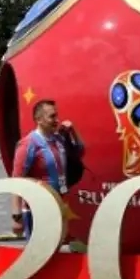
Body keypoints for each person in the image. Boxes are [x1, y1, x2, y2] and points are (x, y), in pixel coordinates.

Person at [9, 100, 84, 241]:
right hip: (38, 209)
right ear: (39, 120)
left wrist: (72, 131)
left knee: (57, 246)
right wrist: (16, 216)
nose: (57, 120)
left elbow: (80, 151)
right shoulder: (28, 144)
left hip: (59, 205)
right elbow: (16, 180)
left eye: (57, 116)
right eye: (52, 116)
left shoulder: (58, 139)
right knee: (40, 250)